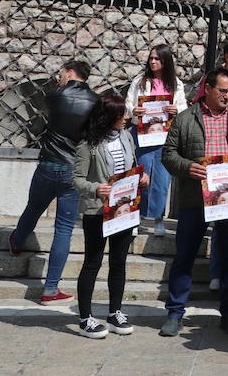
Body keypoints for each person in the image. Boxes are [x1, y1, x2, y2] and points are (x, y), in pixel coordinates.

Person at [158, 68, 228, 337]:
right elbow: (168, 154)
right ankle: (174, 313)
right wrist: (187, 167)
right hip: (195, 199)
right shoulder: (185, 119)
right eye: (223, 91)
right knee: (184, 257)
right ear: (208, 89)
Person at [8, 59, 98, 304]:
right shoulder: (95, 101)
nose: (59, 77)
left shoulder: (55, 96)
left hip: (48, 164)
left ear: (70, 73)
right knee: (64, 229)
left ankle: (16, 241)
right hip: (73, 170)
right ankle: (50, 289)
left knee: (34, 208)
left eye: (61, 73)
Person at [71, 91, 148, 338]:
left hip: (124, 209)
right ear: (108, 116)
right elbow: (76, 180)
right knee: (92, 262)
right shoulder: (88, 145)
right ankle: (85, 318)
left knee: (119, 261)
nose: (126, 117)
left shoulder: (127, 137)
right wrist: (96, 188)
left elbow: (130, 167)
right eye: (121, 113)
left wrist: (141, 177)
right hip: (97, 211)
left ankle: (115, 312)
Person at [125, 44, 187, 238]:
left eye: (157, 59)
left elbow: (183, 106)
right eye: (151, 58)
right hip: (142, 135)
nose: (153, 62)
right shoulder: (139, 81)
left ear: (165, 61)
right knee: (139, 176)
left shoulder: (175, 83)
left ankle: (158, 219)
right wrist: (134, 110)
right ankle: (135, 217)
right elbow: (128, 103)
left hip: (164, 137)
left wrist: (176, 110)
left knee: (161, 178)